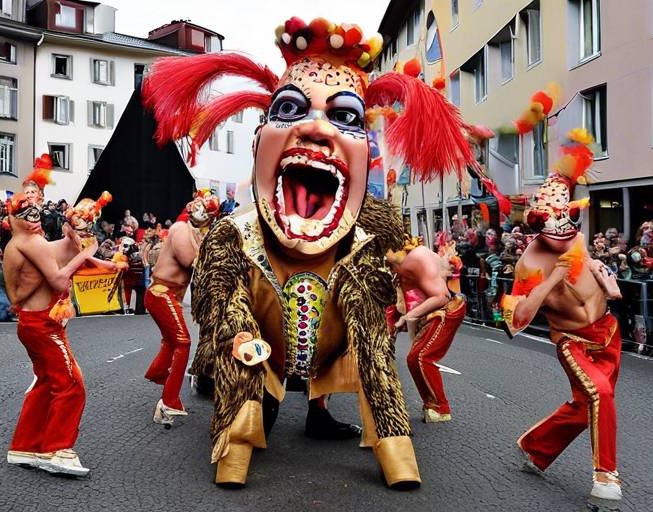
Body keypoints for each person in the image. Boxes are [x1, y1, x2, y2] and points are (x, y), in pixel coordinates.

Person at [143, 15, 507, 489]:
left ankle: (390, 440)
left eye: (346, 117)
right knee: (248, 369)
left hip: (335, 342)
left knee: (372, 336)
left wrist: (405, 286)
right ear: (258, 144)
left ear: (365, 154)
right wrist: (237, 339)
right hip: (264, 348)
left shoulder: (374, 226)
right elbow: (218, 301)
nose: (315, 129)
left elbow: (405, 277)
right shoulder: (232, 233)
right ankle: (241, 429)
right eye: (290, 109)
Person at [500, 128, 624, 502]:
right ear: (536, 224)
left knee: (587, 404)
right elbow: (514, 320)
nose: (565, 232)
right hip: (574, 341)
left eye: (568, 218)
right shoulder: (529, 263)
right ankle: (606, 479)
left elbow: (594, 278)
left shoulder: (579, 240)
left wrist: (609, 284)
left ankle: (535, 447)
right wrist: (552, 278)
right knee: (600, 393)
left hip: (609, 332)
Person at [4, 191, 98, 476]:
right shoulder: (29, 241)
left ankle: (25, 445)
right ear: (14, 218)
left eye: (37, 211)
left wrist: (73, 236)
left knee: (46, 382)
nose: (35, 218)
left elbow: (55, 254)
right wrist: (84, 252)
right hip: (42, 325)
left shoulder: (27, 242)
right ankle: (56, 450)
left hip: (35, 322)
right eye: (29, 214)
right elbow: (58, 278)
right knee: (71, 384)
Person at [143, 192, 219, 425]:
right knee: (183, 342)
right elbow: (191, 261)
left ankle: (158, 375)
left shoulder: (194, 232)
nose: (201, 213)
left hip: (168, 294)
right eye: (200, 207)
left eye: (207, 212)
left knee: (171, 342)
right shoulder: (180, 229)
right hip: (160, 292)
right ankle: (168, 402)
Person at [387, 240, 466, 423]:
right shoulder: (403, 261)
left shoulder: (417, 258)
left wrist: (408, 317)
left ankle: (440, 408)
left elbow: (441, 296)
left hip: (446, 310)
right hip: (431, 313)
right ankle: (432, 405)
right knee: (414, 358)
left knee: (421, 357)